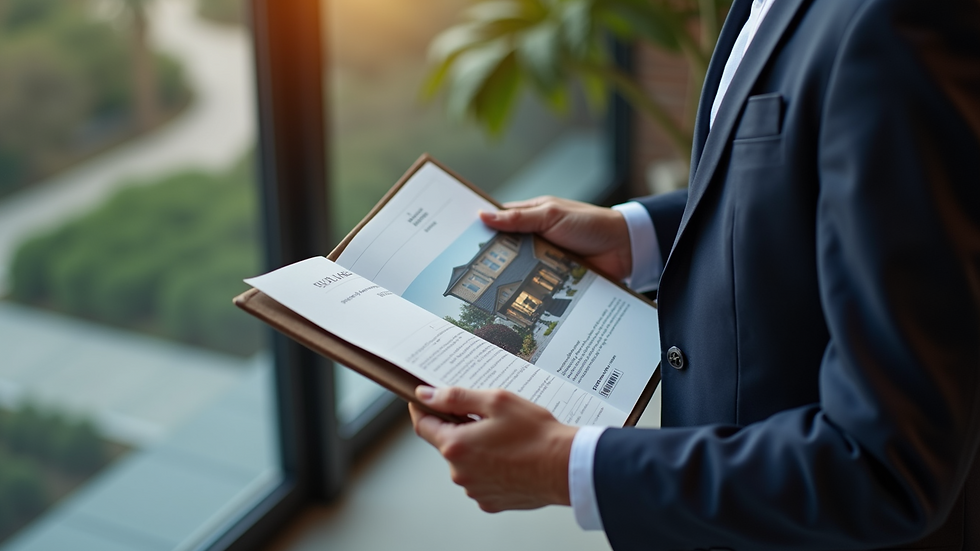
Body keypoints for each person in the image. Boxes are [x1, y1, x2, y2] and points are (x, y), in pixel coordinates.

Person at [409, 0, 980, 548]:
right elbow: (810, 182)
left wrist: (566, 466)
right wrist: (637, 236)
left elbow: (886, 463)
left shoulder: (899, 19)